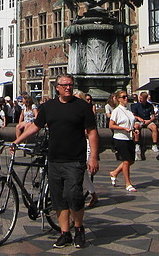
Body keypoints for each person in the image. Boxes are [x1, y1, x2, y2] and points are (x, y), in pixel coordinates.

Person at [12, 75, 98, 249]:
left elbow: (92, 132)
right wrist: (17, 140)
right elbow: (36, 126)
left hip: (75, 159)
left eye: (70, 85)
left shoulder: (82, 107)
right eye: (64, 85)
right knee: (59, 198)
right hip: (54, 159)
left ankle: (79, 229)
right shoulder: (48, 107)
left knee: (73, 196)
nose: (68, 88)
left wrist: (93, 156)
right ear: (57, 87)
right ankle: (65, 233)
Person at [109, 90, 137, 192]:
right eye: (124, 97)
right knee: (126, 161)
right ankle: (128, 183)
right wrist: (123, 129)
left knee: (131, 160)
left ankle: (115, 173)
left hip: (129, 137)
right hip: (120, 138)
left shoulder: (128, 110)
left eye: (126, 97)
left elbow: (131, 122)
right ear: (119, 99)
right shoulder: (116, 111)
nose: (126, 99)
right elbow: (111, 125)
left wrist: (134, 129)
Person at [131, 92, 159, 156]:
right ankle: (137, 144)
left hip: (147, 120)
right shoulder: (136, 105)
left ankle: (154, 144)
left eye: (142, 98)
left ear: (146, 98)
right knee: (136, 127)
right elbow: (133, 115)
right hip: (139, 120)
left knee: (154, 127)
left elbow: (153, 117)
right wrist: (138, 118)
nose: (140, 99)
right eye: (140, 98)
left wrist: (149, 121)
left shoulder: (150, 106)